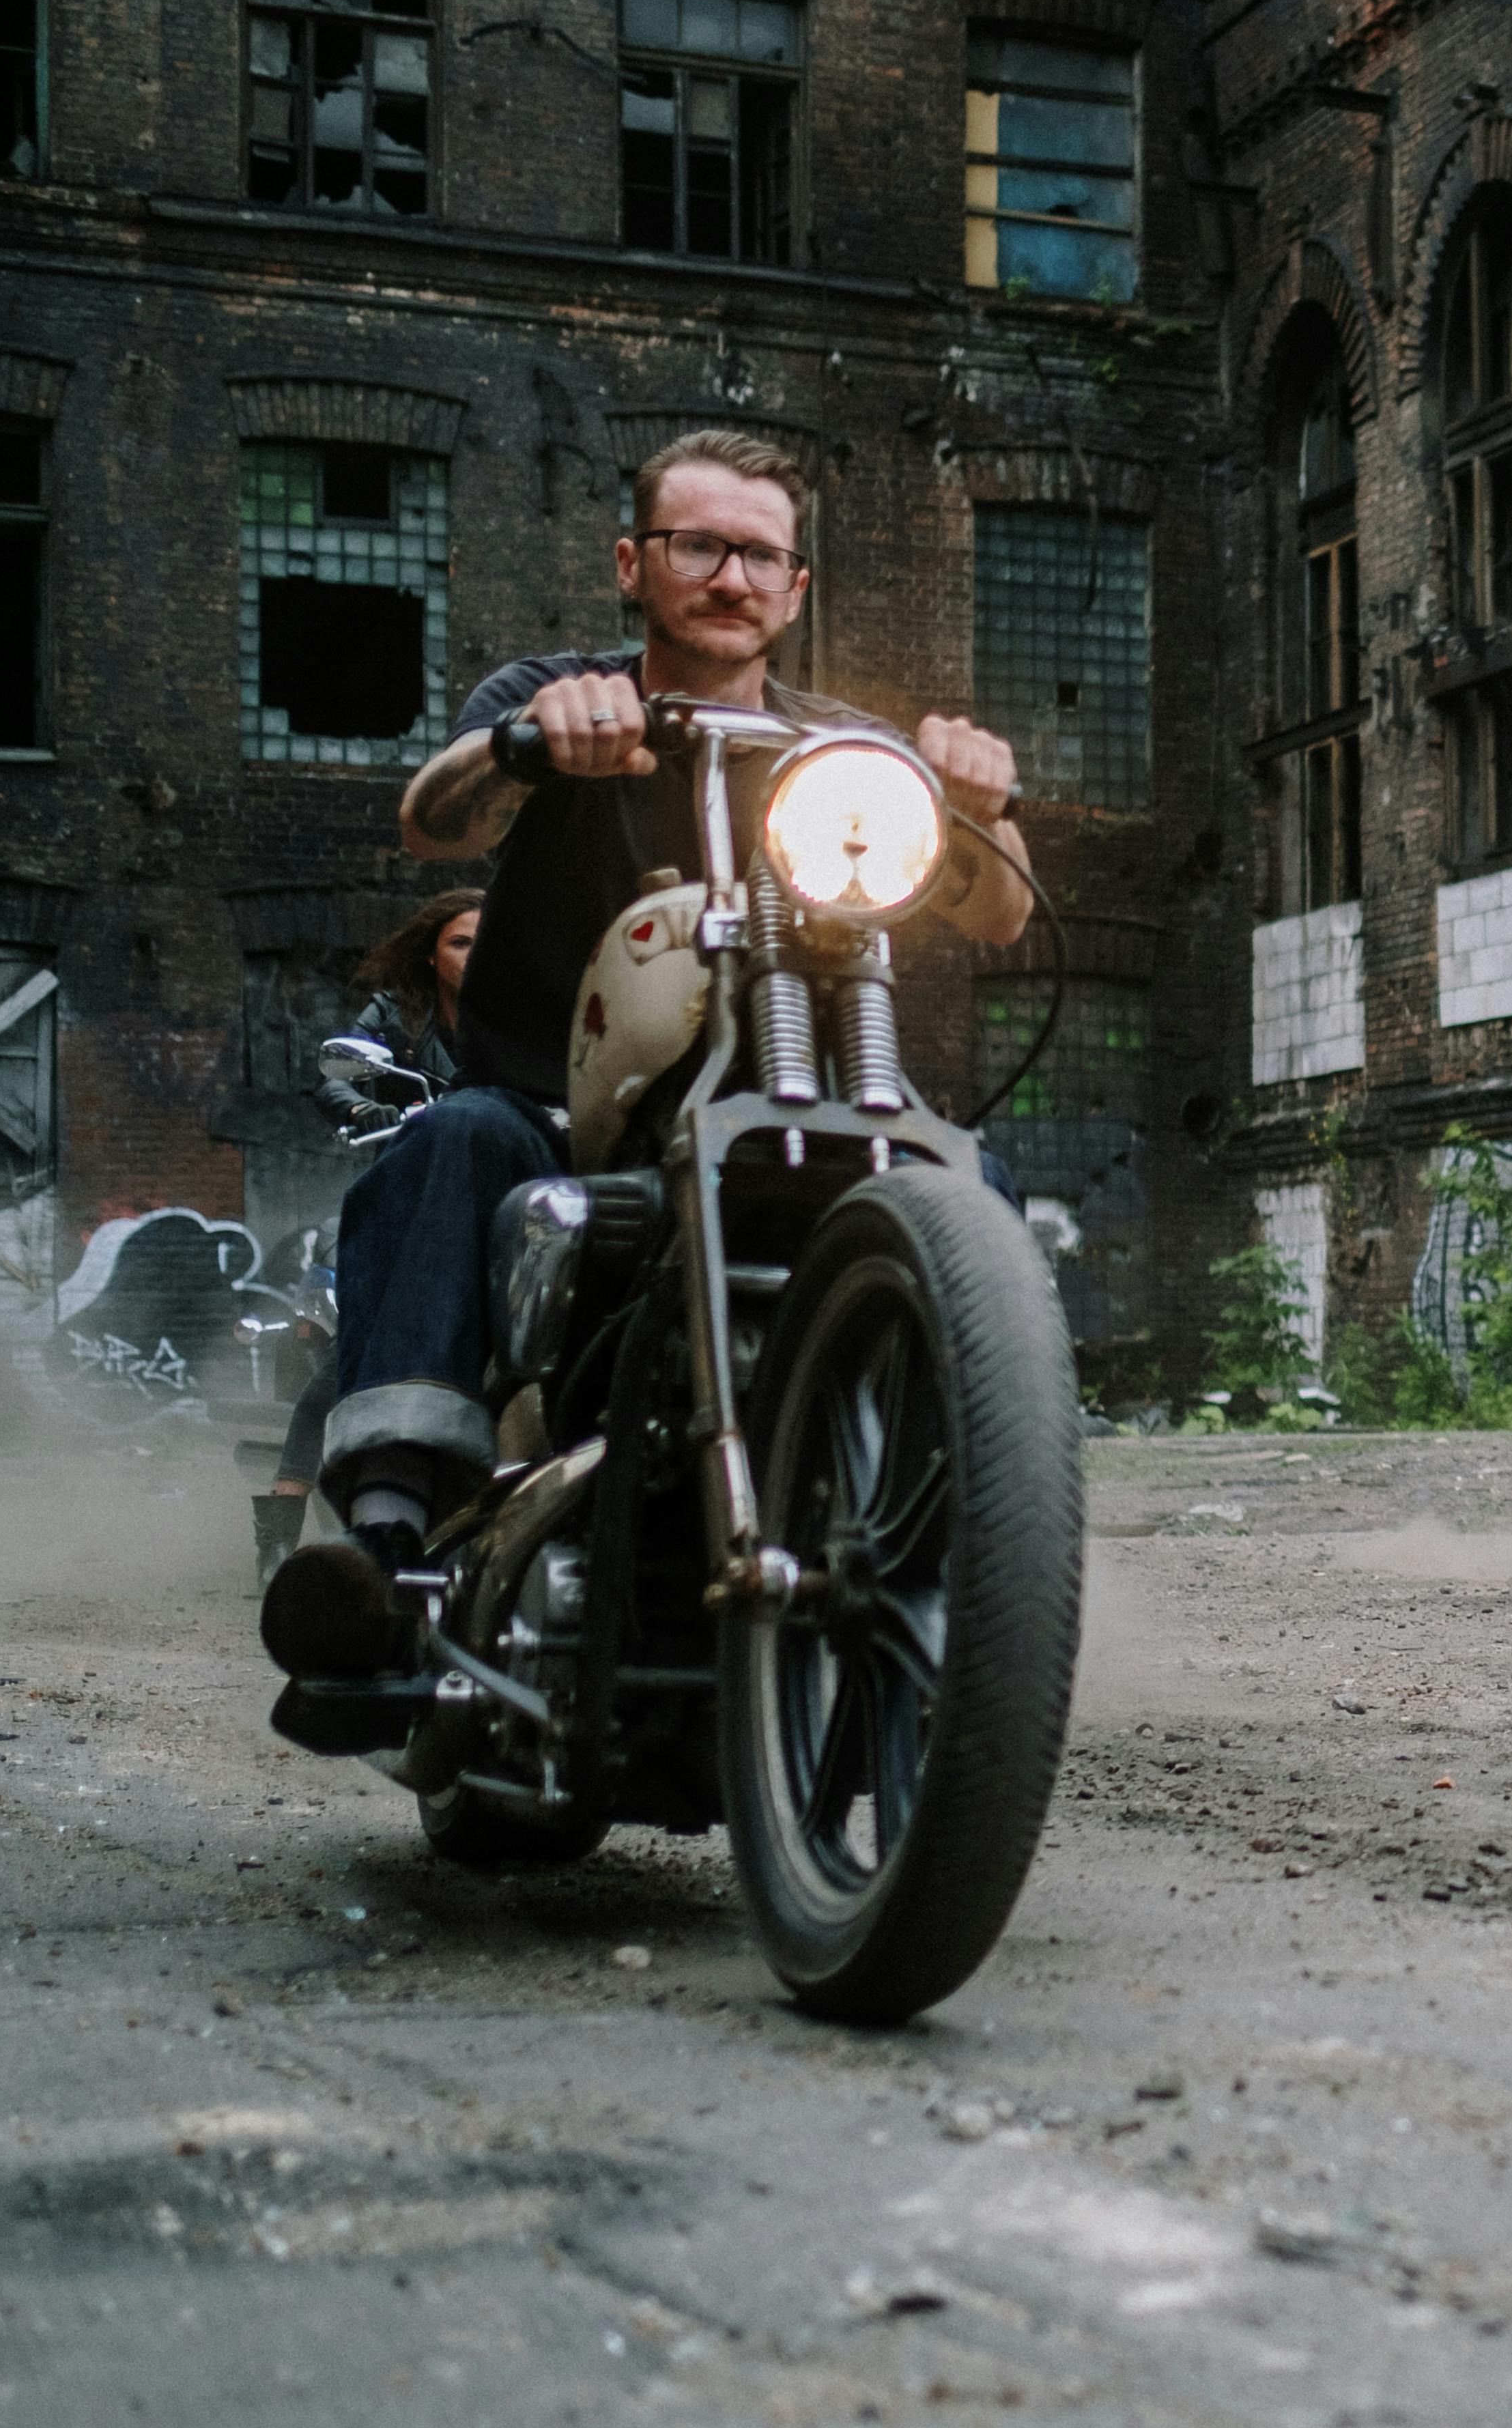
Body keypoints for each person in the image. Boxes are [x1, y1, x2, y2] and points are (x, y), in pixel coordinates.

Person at [260, 429, 1037, 1691]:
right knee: (448, 1141)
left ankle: (966, 1541)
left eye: (761, 556)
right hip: (545, 1111)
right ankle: (389, 1563)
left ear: (796, 589)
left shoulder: (842, 750)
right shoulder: (560, 692)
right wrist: (530, 741)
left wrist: (980, 804)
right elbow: (432, 819)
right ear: (635, 563)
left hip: (788, 1110)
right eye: (699, 546)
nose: (731, 577)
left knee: (973, 1191)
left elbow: (996, 917)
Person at [255, 888, 482, 1582]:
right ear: (432, 953)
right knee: (354, 1360)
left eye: (488, 942)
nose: (477, 957)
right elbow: (334, 1076)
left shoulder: (519, 1013)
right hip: (408, 1189)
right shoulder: (398, 1014)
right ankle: (279, 1535)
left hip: (493, 1193)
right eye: (461, 943)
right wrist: (361, 1106)